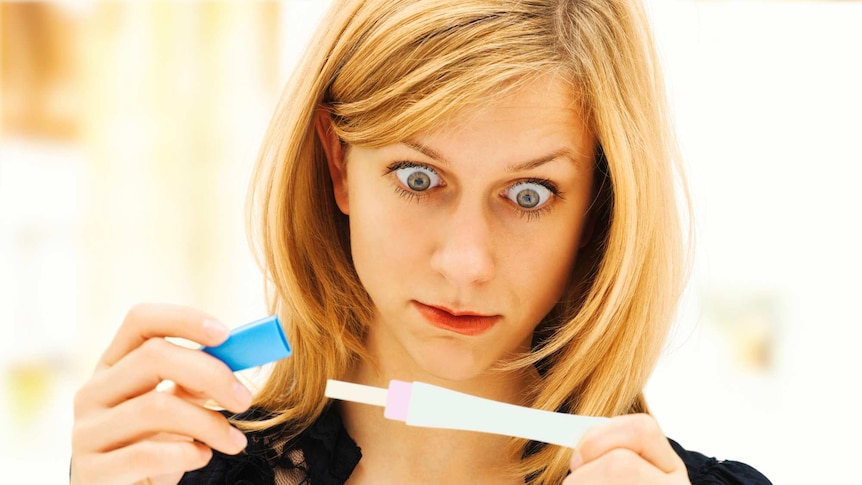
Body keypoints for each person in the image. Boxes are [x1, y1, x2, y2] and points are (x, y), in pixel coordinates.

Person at [70, 0, 773, 484]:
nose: (465, 261)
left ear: (598, 205)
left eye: (528, 195)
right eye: (418, 177)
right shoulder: (182, 473)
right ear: (338, 163)